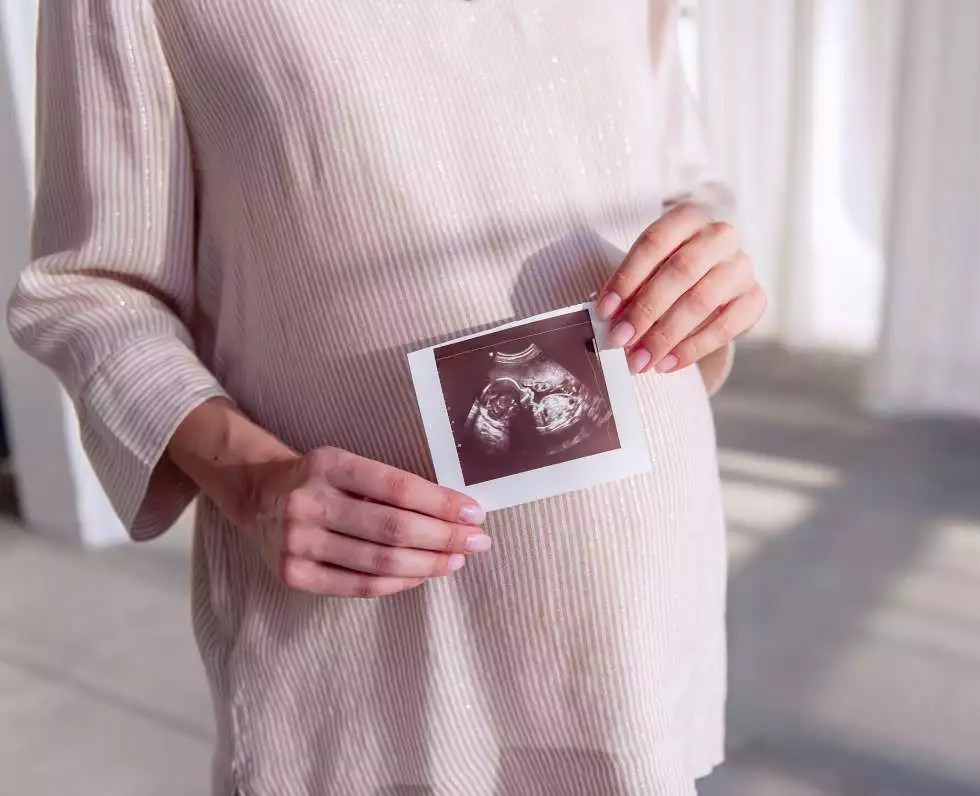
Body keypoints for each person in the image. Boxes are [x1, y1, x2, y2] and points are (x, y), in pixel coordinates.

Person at [10, 2, 765, 794]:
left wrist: (707, 270)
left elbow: (680, 182)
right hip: (376, 623)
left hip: (637, 576)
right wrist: (253, 480)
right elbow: (90, 294)